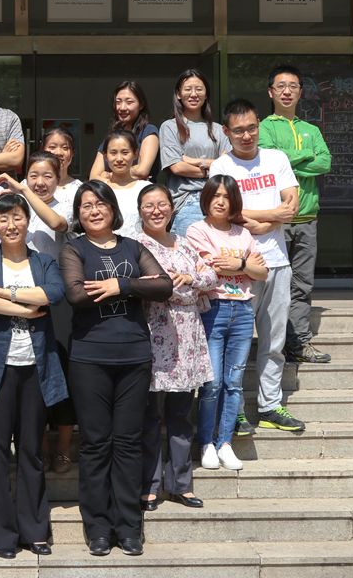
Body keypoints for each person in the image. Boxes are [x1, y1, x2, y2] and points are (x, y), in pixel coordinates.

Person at [59, 180, 173, 557]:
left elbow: (164, 286)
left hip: (134, 357)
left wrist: (120, 285)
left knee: (127, 442)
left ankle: (128, 526)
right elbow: (76, 293)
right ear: (79, 214)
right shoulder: (73, 248)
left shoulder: (133, 247)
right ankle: (98, 527)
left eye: (100, 203)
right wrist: (136, 285)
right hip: (89, 358)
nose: (94, 210)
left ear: (112, 209)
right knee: (95, 443)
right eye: (86, 205)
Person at [0, 193, 69, 559]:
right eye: (3, 219)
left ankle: (35, 531)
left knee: (30, 450)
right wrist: (26, 309)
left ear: (28, 220)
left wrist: (2, 291)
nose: (11, 225)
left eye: (17, 217)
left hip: (36, 367)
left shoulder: (43, 261)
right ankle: (0, 536)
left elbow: (54, 293)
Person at [209, 99, 303, 435]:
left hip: (277, 262)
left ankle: (269, 406)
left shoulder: (276, 159)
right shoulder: (221, 166)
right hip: (238, 266)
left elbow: (292, 205)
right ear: (226, 132)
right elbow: (225, 211)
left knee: (274, 342)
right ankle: (232, 412)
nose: (246, 135)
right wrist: (272, 215)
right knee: (235, 344)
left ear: (259, 124)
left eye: (251, 128)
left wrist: (261, 221)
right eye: (238, 131)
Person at [136, 184, 217, 511]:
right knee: (151, 415)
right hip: (154, 333)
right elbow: (154, 287)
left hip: (188, 337)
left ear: (172, 207)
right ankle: (149, 486)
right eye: (149, 205)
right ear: (139, 210)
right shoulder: (137, 245)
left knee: (182, 415)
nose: (156, 211)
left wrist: (191, 280)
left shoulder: (184, 242)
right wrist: (181, 284)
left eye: (162, 204)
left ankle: (180, 484)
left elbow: (211, 277)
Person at [186, 176, 268, 470]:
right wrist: (245, 267)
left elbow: (262, 273)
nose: (220, 202)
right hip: (213, 309)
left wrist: (241, 265)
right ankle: (206, 443)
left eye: (227, 197)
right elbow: (211, 266)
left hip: (243, 311)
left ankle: (225, 444)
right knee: (212, 383)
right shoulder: (197, 230)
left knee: (233, 383)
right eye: (215, 195)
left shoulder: (243, 233)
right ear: (206, 198)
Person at [259, 64, 332, 364]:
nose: (286, 91)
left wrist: (288, 160)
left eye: (292, 86)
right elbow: (269, 161)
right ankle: (269, 345)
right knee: (270, 287)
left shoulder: (311, 130)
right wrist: (306, 155)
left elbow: (325, 162)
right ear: (271, 92)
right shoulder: (264, 127)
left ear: (301, 92)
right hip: (276, 220)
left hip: (307, 220)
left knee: (302, 286)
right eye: (280, 86)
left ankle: (299, 344)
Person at [20, 151, 76, 473]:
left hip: (60, 302)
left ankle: (64, 445)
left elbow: (57, 224)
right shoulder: (17, 206)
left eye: (47, 176)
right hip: (21, 299)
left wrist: (23, 191)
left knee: (63, 370)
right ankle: (40, 443)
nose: (40, 182)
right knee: (32, 376)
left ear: (59, 179)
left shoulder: (66, 204)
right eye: (33, 175)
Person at [159, 70, 232, 236]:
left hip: (218, 200)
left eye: (199, 89)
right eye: (188, 89)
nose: (193, 94)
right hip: (188, 202)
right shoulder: (170, 127)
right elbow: (177, 167)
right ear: (178, 94)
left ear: (206, 94)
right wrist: (211, 169)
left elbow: (228, 165)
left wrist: (194, 161)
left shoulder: (219, 130)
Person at [89, 81, 159, 182]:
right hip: (112, 191)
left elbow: (142, 170)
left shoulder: (148, 131)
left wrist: (108, 174)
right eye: (118, 102)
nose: (122, 108)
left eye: (129, 102)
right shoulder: (112, 138)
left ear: (141, 105)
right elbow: (93, 177)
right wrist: (130, 174)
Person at [102, 131, 152, 239]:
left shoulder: (146, 189)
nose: (119, 159)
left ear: (135, 154)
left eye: (125, 152)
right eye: (113, 153)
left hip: (139, 247)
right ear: (105, 156)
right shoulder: (99, 191)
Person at [40, 126, 83, 205]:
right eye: (52, 147)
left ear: (72, 153)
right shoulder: (28, 186)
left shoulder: (79, 189)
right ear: (43, 150)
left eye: (65, 148)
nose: (59, 153)